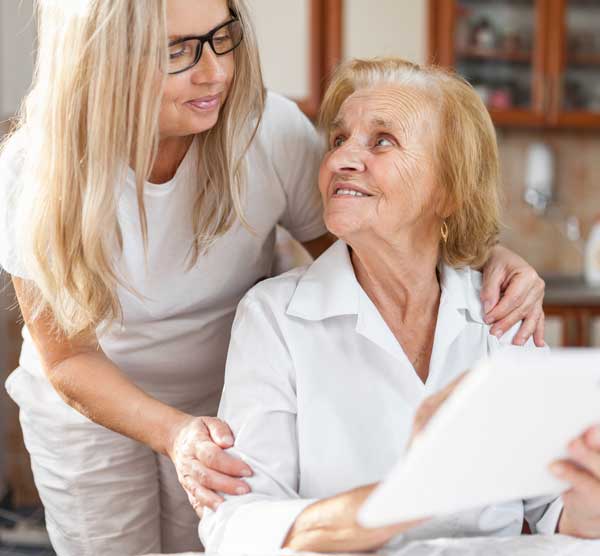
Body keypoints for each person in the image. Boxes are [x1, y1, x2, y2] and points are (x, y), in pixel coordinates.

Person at [0, 1, 546, 554]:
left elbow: (376, 230)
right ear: (105, 62)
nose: (215, 71)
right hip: (94, 408)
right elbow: (68, 357)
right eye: (177, 51)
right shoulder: (34, 171)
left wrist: (482, 254)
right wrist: (173, 433)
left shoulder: (266, 132)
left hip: (224, 397)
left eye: (222, 37)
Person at [199, 58, 600, 553]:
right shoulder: (274, 317)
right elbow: (237, 523)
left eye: (382, 140)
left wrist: (591, 494)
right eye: (339, 139)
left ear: (449, 190)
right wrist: (409, 495)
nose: (341, 159)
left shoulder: (501, 313)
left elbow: (551, 512)